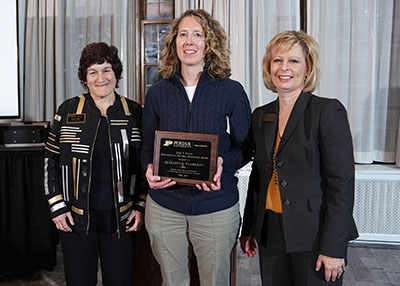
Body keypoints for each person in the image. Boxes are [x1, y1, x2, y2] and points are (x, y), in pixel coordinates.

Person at [141, 9, 251, 286]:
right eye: (183, 34)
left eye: (198, 35)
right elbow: (146, 147)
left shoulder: (231, 90)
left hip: (215, 207)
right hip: (165, 207)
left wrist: (225, 163)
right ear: (174, 42)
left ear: (209, 42)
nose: (189, 41)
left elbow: (246, 146)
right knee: (172, 282)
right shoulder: (157, 92)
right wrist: (148, 169)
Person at [240, 30, 359, 286]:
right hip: (270, 231)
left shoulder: (326, 111)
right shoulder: (261, 116)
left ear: (308, 68)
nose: (284, 68)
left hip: (314, 234)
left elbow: (341, 185)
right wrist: (250, 228)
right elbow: (259, 177)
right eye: (277, 60)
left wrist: (334, 248)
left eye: (293, 61)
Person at [43, 42, 146, 286]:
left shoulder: (133, 112)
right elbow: (50, 159)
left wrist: (140, 205)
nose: (101, 78)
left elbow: (143, 163)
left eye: (107, 69)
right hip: (76, 217)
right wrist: (56, 206)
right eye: (93, 71)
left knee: (119, 281)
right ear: (85, 78)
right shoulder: (68, 110)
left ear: (116, 73)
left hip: (122, 216)